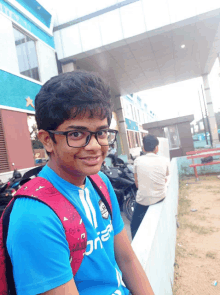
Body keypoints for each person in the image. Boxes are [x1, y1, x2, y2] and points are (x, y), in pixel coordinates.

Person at [6, 71, 154, 295]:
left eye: (101, 132)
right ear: (47, 140)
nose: (95, 145)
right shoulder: (35, 216)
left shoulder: (100, 182)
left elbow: (127, 260)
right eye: (76, 134)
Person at [130, 134, 170, 239]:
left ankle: (136, 245)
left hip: (143, 200)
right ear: (157, 148)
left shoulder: (137, 161)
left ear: (143, 148)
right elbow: (165, 177)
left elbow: (137, 184)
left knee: (134, 225)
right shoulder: (164, 160)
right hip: (160, 198)